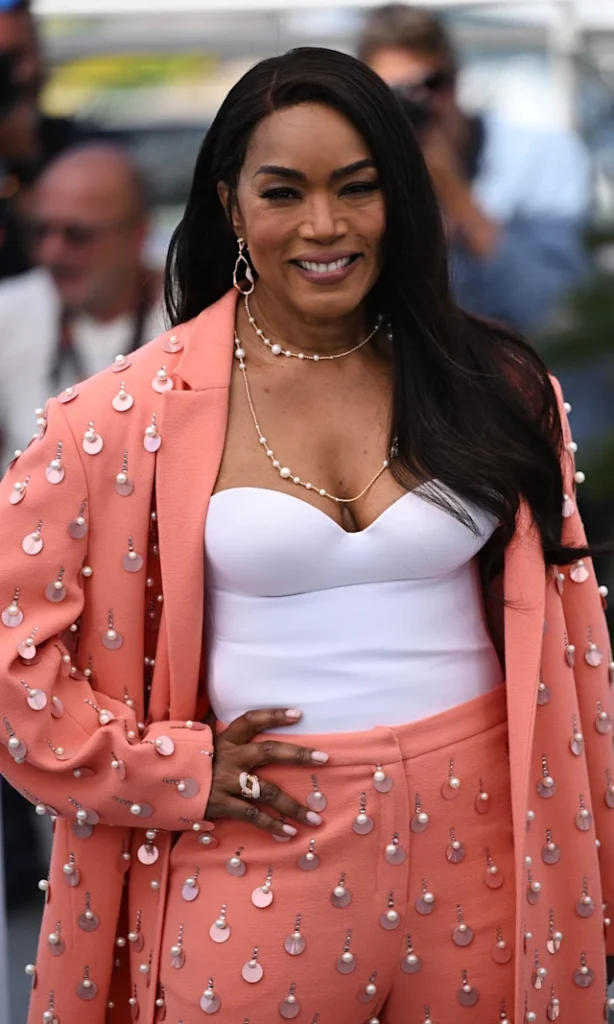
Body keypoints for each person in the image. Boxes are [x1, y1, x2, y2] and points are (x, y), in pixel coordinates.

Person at [0, 46, 611, 1024]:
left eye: (356, 188)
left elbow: (575, 655)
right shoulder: (117, 417)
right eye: (283, 192)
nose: (324, 226)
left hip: (488, 838)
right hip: (257, 844)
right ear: (231, 206)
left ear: (398, 198)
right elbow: (10, 659)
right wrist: (167, 771)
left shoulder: (496, 387)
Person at [358, 4, 591, 335]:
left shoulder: (544, 155)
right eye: (393, 94)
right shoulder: (360, 175)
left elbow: (562, 311)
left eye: (431, 84)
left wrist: (457, 195)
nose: (416, 104)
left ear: (456, 78)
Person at [0, 142, 164, 467]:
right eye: (40, 231)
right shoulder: (9, 311)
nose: (51, 253)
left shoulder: (196, 315)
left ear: (138, 235)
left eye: (77, 235)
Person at [0, 0, 94, 279]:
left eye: (31, 52)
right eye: (7, 61)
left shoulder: (76, 150)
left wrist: (24, 162)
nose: (25, 73)